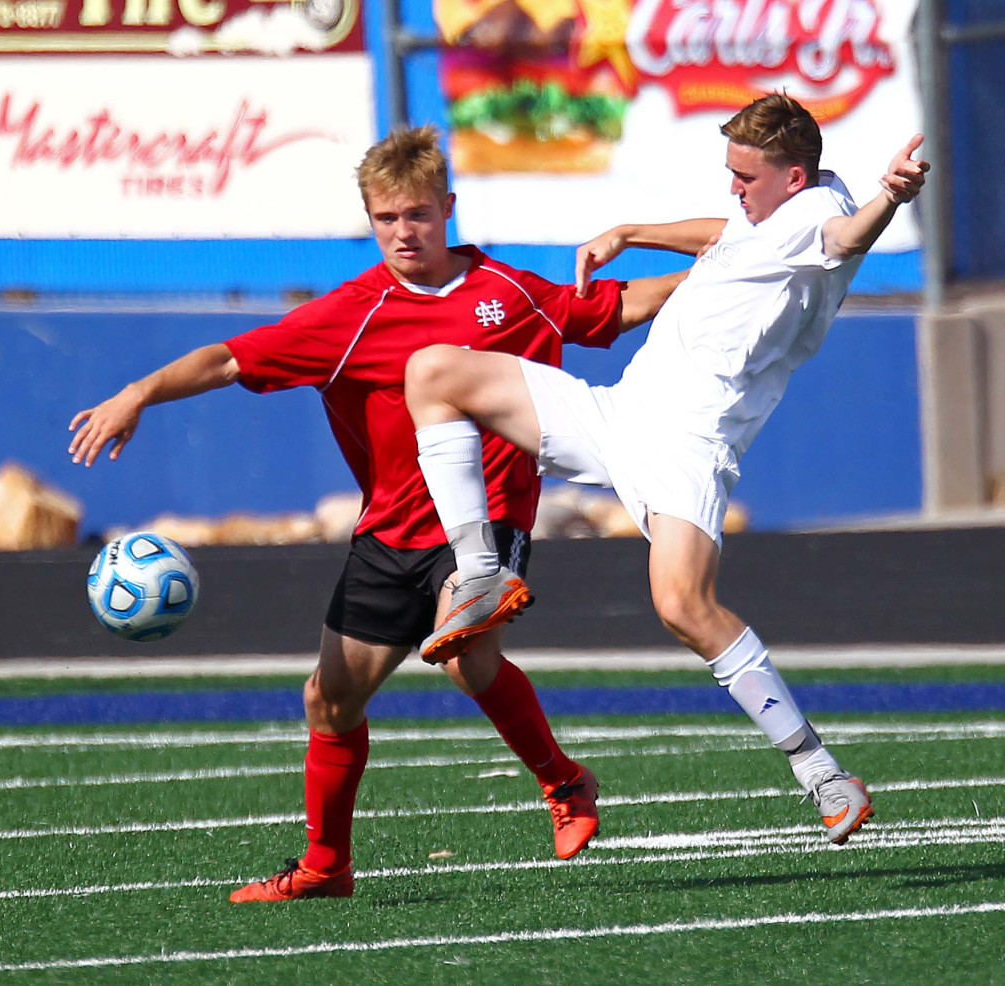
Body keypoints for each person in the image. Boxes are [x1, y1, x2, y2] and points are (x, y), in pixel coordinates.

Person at [67, 125, 685, 901]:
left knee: (465, 655)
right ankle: (326, 867)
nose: (404, 232)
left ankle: (564, 785)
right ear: (369, 219)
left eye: (419, 215)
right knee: (329, 700)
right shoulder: (350, 314)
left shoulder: (510, 292)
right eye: (387, 218)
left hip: (487, 518)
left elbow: (616, 308)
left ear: (448, 208)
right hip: (391, 530)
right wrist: (136, 395)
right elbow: (229, 358)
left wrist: (724, 274)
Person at [403, 94, 930, 845]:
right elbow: (728, 236)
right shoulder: (769, 216)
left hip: (688, 443)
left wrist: (892, 194)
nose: (733, 189)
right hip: (618, 414)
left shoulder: (822, 216)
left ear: (794, 175)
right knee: (433, 372)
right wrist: (631, 232)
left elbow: (846, 238)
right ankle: (479, 570)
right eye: (730, 172)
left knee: (684, 606)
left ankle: (824, 775)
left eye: (745, 176)